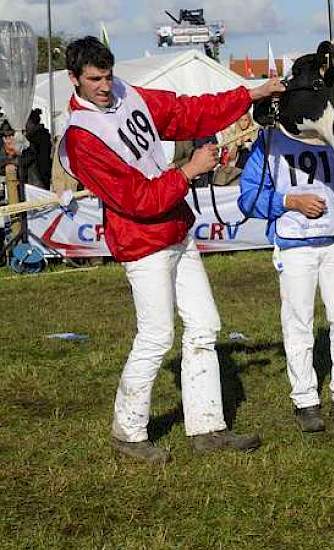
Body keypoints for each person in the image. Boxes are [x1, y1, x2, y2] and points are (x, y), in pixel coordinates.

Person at [58, 36, 285, 463]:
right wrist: (190, 170)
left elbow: (185, 111)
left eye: (108, 76)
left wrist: (249, 94)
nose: (105, 86)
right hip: (142, 243)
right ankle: (128, 432)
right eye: (94, 80)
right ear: (74, 79)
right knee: (156, 338)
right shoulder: (80, 138)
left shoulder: (128, 94)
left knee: (205, 325)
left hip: (176, 231)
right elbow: (138, 200)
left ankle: (207, 427)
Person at [237, 67, 334, 431]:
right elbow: (248, 198)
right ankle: (305, 400)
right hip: (294, 247)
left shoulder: (330, 135)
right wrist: (288, 202)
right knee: (298, 324)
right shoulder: (267, 143)